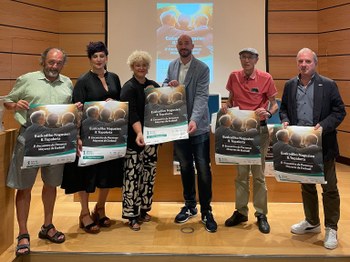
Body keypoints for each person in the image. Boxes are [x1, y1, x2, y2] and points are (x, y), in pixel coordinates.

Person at [4, 47, 74, 256]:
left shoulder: (67, 83)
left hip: (56, 140)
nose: (54, 66)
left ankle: (47, 226)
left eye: (58, 63)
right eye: (51, 62)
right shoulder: (27, 79)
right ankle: (23, 233)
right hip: (30, 138)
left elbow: (68, 110)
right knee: (24, 187)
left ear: (63, 64)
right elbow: (7, 101)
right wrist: (16, 104)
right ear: (43, 61)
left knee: (51, 184)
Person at [279, 47, 346, 249]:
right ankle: (312, 222)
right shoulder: (290, 85)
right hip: (299, 145)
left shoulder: (328, 85)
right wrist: (285, 120)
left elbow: (339, 111)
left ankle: (331, 228)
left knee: (329, 188)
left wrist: (324, 126)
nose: (303, 65)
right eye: (300, 61)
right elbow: (283, 109)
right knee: (307, 185)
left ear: (314, 63)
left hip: (323, 144)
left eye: (307, 61)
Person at [61, 41, 124, 234]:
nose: (99, 59)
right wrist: (78, 136)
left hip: (111, 135)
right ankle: (84, 213)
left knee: (108, 173)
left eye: (102, 56)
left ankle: (100, 208)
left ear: (106, 57)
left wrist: (114, 102)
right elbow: (76, 110)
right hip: (89, 137)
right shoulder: (82, 81)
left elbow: (120, 103)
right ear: (90, 59)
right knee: (86, 175)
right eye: (95, 56)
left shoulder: (114, 77)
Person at [163, 34, 217, 233]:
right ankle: (190, 205)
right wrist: (168, 86)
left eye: (187, 43)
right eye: (180, 43)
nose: (183, 46)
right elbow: (165, 85)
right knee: (185, 166)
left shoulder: (202, 68)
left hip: (198, 127)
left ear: (193, 46)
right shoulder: (171, 66)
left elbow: (202, 96)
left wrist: (193, 120)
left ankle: (206, 210)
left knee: (203, 168)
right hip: (178, 128)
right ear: (176, 46)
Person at [223, 47, 278, 234]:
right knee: (240, 175)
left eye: (250, 57)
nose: (246, 60)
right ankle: (241, 211)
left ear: (256, 59)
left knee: (259, 175)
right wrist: (226, 106)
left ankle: (261, 214)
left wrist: (269, 112)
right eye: (243, 57)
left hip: (259, 131)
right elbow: (231, 100)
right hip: (239, 131)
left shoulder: (266, 78)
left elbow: (274, 103)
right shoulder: (234, 76)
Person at [120, 50, 159, 231]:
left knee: (148, 176)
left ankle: (143, 209)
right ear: (132, 67)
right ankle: (132, 215)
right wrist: (139, 132)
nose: (141, 68)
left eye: (144, 65)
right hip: (135, 140)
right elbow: (132, 113)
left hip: (151, 141)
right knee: (132, 177)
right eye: (138, 65)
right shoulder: (128, 87)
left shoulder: (153, 86)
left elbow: (162, 107)